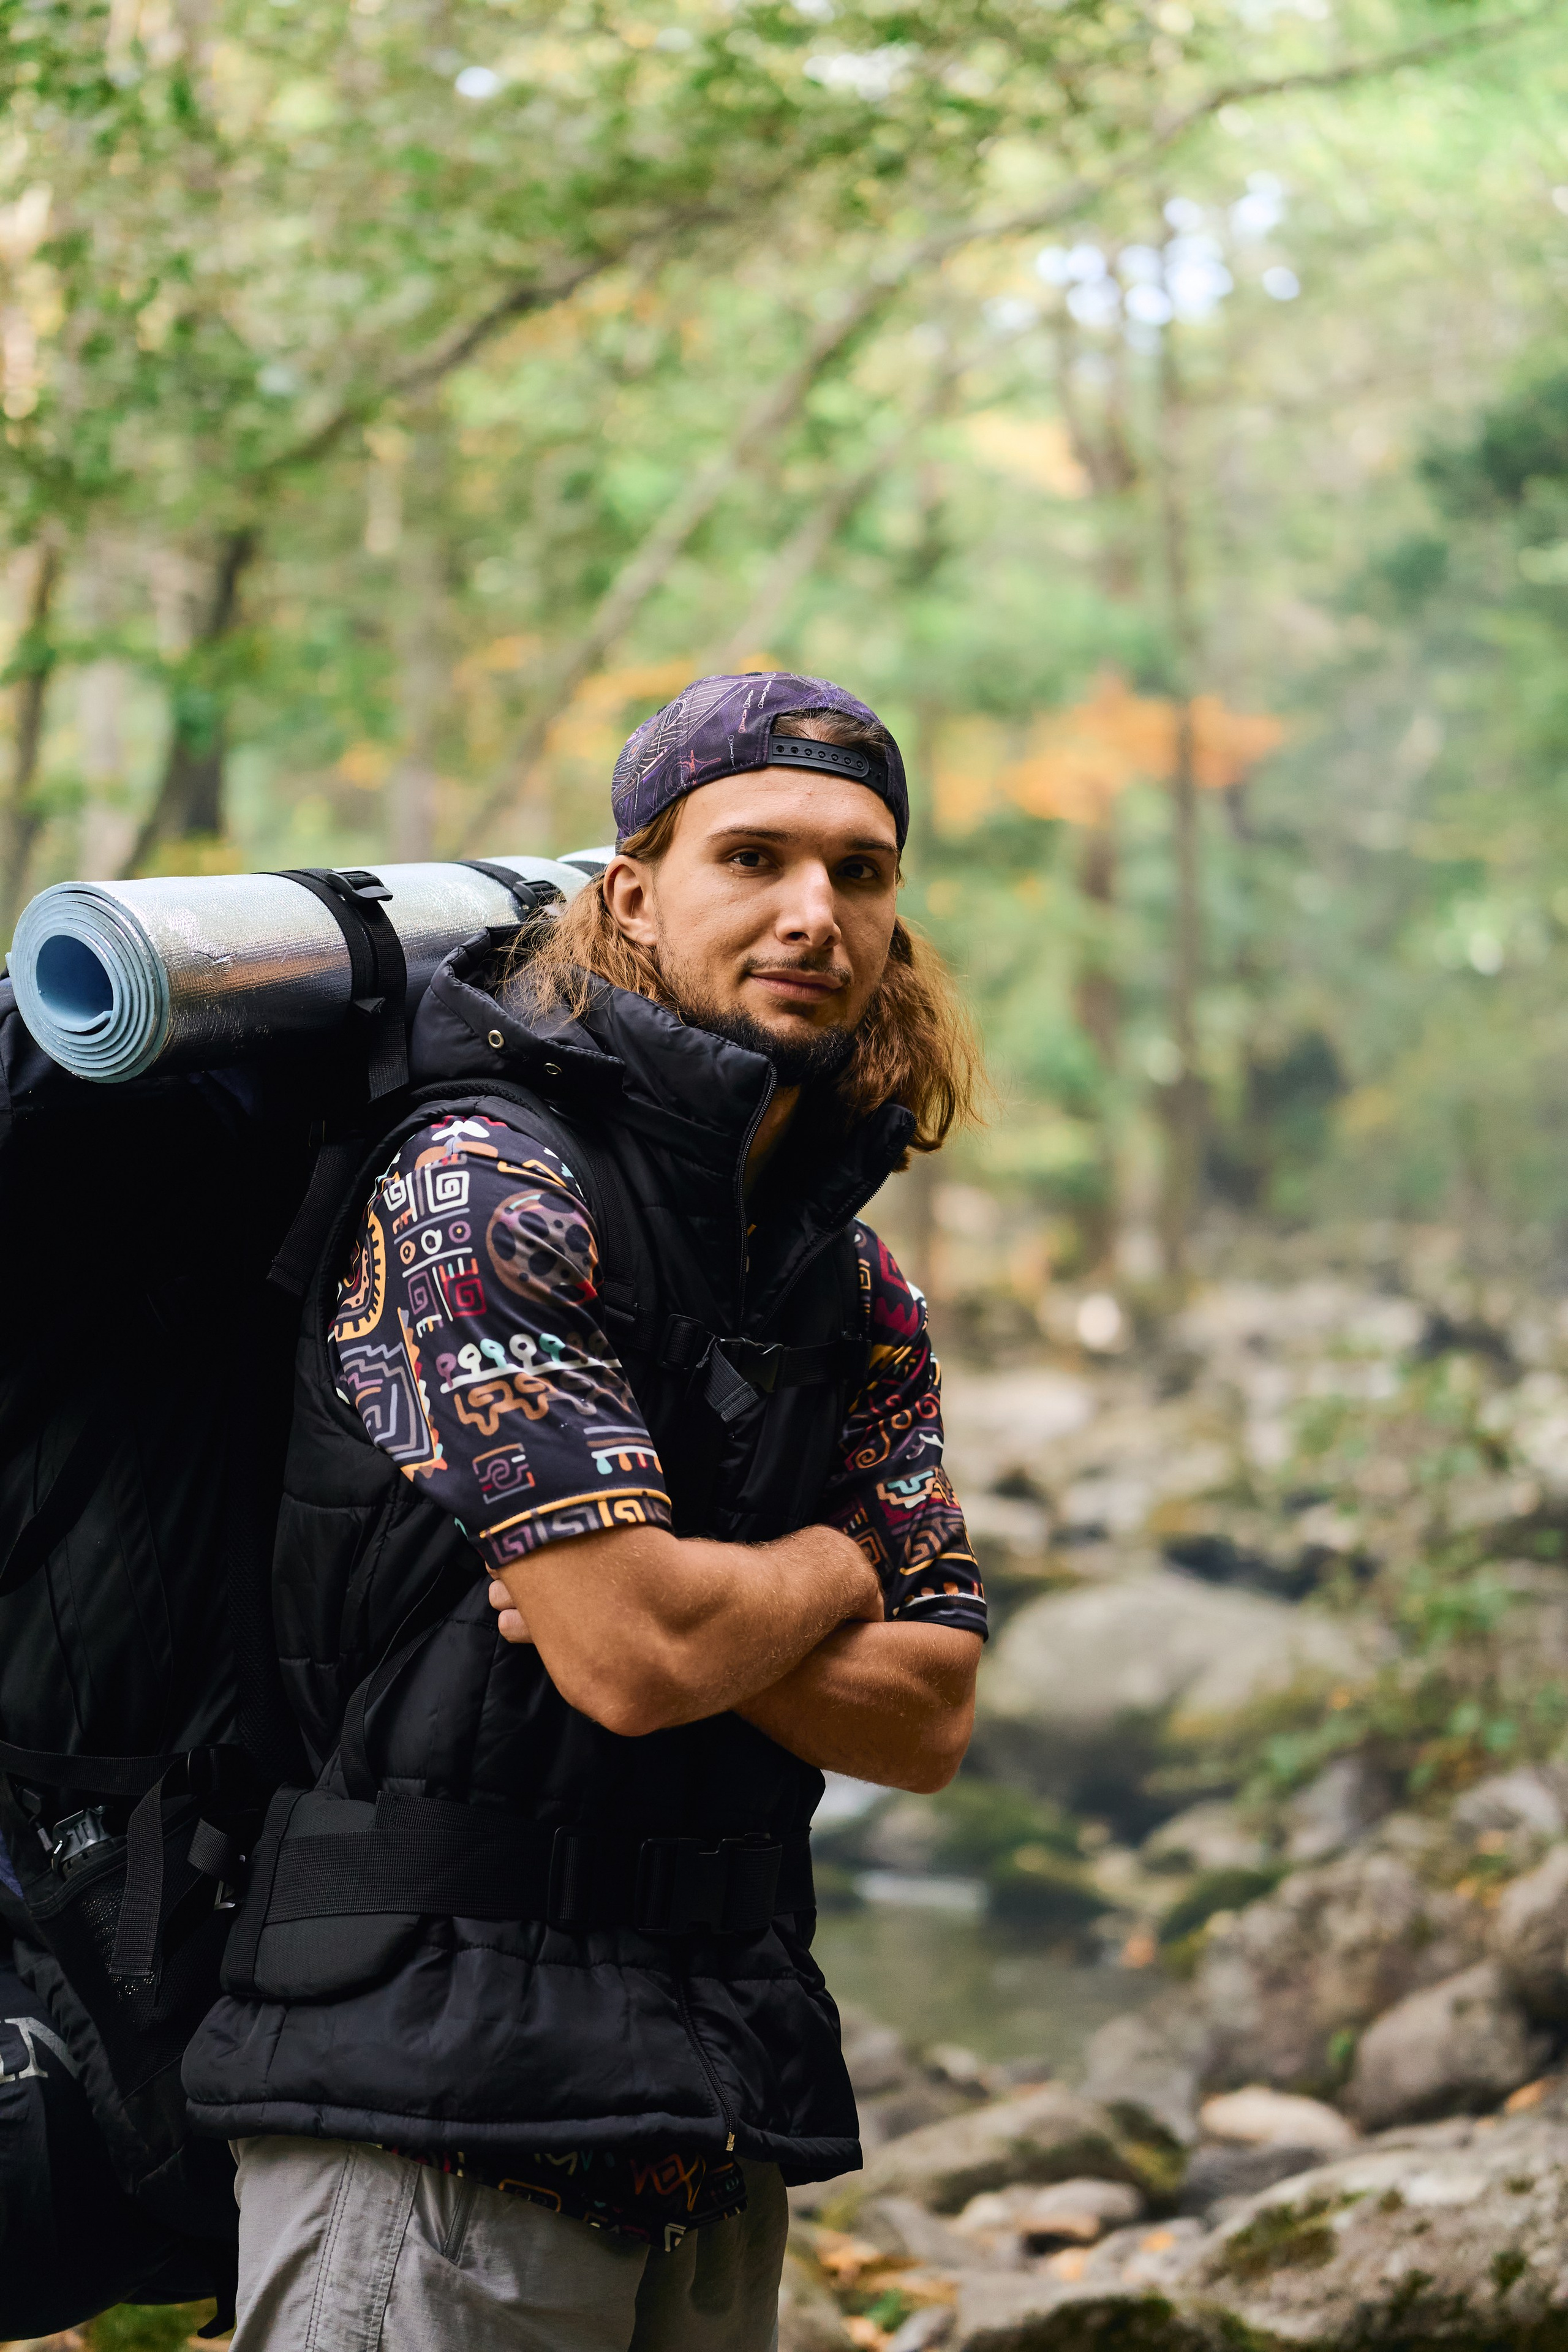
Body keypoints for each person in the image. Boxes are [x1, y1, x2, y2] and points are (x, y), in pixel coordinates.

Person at [183, 670, 987, 2351]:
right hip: (427, 2109)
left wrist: (701, 1603)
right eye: (752, 857)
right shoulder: (485, 1181)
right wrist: (836, 1571)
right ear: (632, 892)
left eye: (861, 871)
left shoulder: (848, 1282)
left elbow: (927, 1718)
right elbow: (628, 1658)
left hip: (710, 2104)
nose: (813, 912)